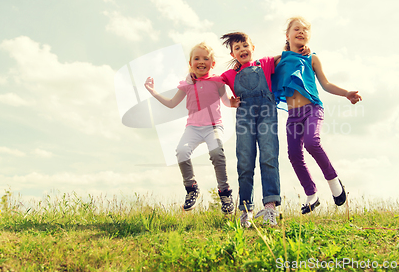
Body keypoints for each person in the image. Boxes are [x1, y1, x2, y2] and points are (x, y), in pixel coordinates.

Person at [272, 17, 362, 214]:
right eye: (297, 29)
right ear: (287, 35)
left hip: (312, 108)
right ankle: (311, 194)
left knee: (312, 143)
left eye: (305, 30)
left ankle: (333, 181)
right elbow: (258, 66)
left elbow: (326, 84)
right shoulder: (278, 61)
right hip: (293, 115)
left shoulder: (312, 58)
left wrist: (346, 93)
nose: (301, 32)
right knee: (294, 154)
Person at [144, 42, 238, 213]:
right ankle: (191, 188)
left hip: (213, 126)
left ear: (212, 63)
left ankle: (225, 193)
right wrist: (153, 91)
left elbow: (226, 102)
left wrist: (235, 103)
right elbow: (172, 103)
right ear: (190, 63)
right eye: (196, 58)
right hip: (193, 128)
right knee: (181, 152)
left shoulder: (218, 81)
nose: (201, 61)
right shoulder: (187, 84)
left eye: (205, 58)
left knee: (217, 152)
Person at [219, 32, 283, 227]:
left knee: (269, 157)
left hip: (267, 115)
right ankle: (246, 211)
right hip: (244, 119)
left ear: (252, 47)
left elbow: (285, 56)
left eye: (245, 45)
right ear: (233, 55)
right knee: (245, 163)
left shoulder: (264, 64)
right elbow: (210, 83)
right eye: (237, 48)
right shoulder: (229, 75)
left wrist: (298, 49)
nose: (242, 50)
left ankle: (270, 208)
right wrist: (227, 101)